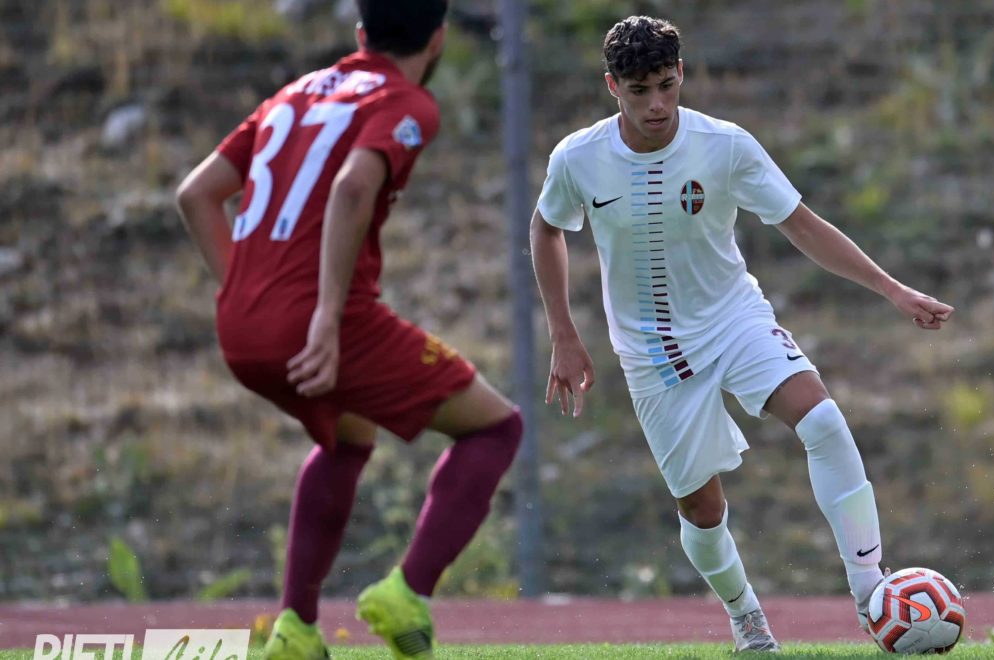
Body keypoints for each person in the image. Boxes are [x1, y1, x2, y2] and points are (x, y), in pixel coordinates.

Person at [530, 15, 953, 653]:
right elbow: (546, 229)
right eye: (640, 91)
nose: (657, 104)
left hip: (735, 319)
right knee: (702, 512)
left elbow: (802, 224)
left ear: (682, 74)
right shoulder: (577, 158)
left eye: (667, 85)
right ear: (612, 86)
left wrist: (892, 289)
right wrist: (563, 333)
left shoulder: (725, 145)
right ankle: (745, 613)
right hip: (654, 353)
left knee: (824, 421)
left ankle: (871, 593)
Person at [175, 2, 521, 658]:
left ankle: (295, 629)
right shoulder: (406, 102)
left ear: (361, 33)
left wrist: (244, 291)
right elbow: (353, 187)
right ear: (439, 39)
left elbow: (196, 194)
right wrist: (326, 318)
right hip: (322, 320)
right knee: (496, 428)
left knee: (348, 435)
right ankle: (407, 593)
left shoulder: (295, 93)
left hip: (239, 325)